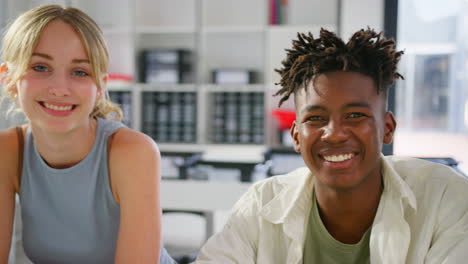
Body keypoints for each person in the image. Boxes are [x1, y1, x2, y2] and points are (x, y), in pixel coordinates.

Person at [195, 28, 468, 263]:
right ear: (296, 136)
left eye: (355, 115)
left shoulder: (446, 197)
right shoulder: (262, 203)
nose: (334, 134)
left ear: (387, 128)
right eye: (316, 118)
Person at [0, 5, 176, 264]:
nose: (60, 88)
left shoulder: (132, 152)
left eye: (80, 72)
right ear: (9, 79)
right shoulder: (8, 150)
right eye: (40, 67)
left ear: (100, 85)